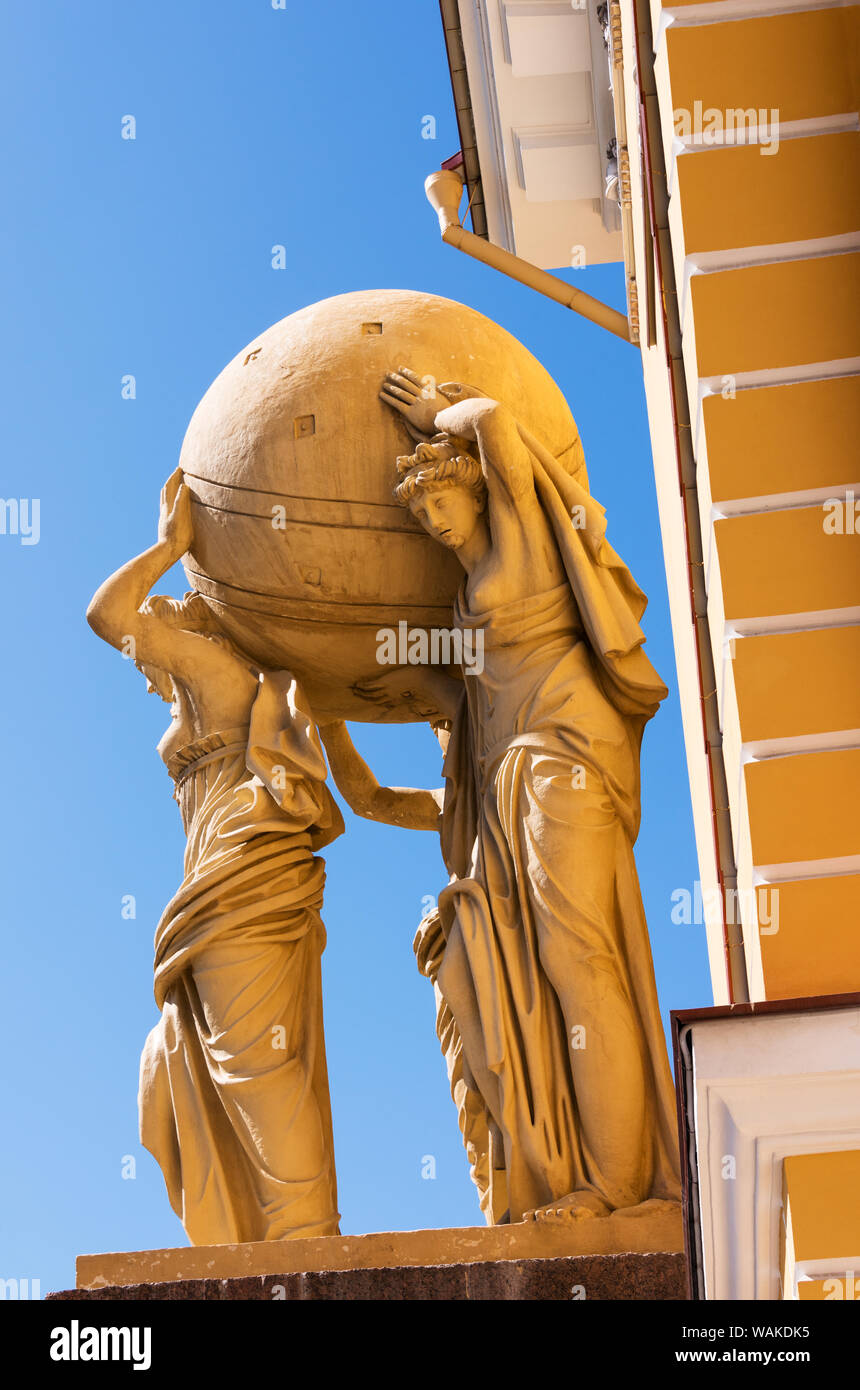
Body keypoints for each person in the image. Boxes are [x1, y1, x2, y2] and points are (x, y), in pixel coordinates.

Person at [349, 367, 682, 1224]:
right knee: (532, 974)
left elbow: (495, 420)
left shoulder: (517, 547)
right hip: (511, 778)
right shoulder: (466, 593)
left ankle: (619, 1187)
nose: (430, 518)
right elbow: (420, 713)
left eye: (440, 501)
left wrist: (440, 413)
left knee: (579, 960)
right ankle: (584, 1171)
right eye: (420, 512)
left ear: (472, 487)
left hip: (560, 760)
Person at [86, 467, 343, 1245]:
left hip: (241, 880)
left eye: (154, 642)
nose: (141, 663)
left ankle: (303, 1240)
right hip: (221, 882)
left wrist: (169, 546)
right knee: (198, 1063)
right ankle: (278, 1235)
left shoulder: (216, 671)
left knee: (251, 1063)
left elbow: (107, 614)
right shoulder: (203, 691)